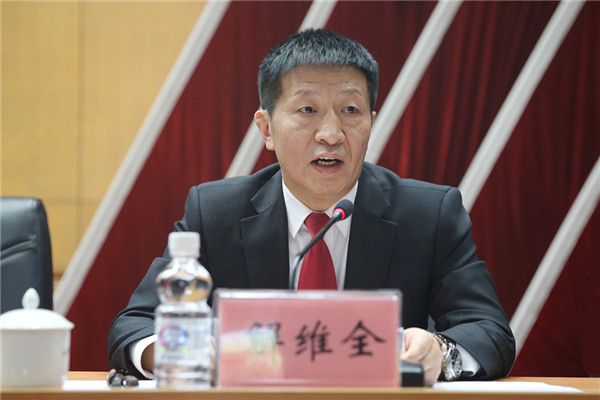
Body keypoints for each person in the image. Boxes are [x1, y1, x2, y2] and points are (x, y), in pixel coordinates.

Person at [108, 29, 515, 386]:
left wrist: (439, 352)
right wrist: (180, 351)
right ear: (267, 129)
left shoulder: (428, 214)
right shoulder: (215, 213)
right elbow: (134, 327)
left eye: (350, 111)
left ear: (371, 122)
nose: (331, 134)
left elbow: (489, 332)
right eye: (307, 110)